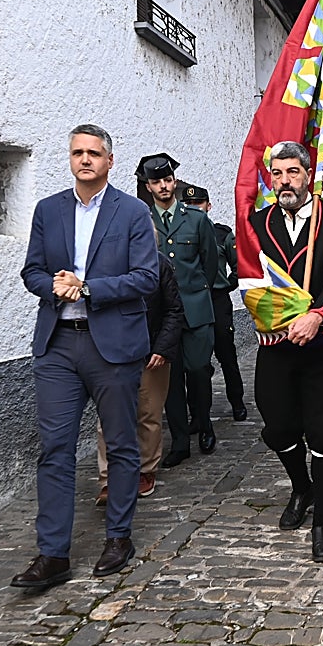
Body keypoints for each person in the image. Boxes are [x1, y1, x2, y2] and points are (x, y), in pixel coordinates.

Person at [13, 124, 158, 588]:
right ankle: (52, 554)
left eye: (94, 153)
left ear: (109, 161)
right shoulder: (48, 209)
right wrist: (53, 286)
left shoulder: (132, 211)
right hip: (58, 343)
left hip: (112, 346)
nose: (85, 159)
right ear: (70, 159)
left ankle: (118, 536)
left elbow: (146, 277)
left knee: (120, 443)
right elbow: (32, 271)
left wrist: (89, 287)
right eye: (78, 152)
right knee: (55, 449)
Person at [249, 141, 323, 563]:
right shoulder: (258, 222)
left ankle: (322, 522)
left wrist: (318, 315)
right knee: (278, 425)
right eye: (277, 174)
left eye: (292, 172)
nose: (284, 181)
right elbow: (249, 277)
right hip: (277, 345)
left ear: (307, 175)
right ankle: (302, 487)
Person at [138, 155, 219, 467]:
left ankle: (205, 425)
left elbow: (209, 263)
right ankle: (180, 442)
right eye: (156, 182)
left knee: (198, 370)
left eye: (167, 180)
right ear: (148, 186)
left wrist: (196, 294)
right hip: (162, 316)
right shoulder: (142, 220)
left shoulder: (196, 219)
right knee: (170, 381)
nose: (163, 186)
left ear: (174, 182)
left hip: (196, 310)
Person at [95, 233, 185, 504]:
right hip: (113, 352)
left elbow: (174, 310)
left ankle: (145, 470)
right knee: (108, 417)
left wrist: (162, 348)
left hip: (150, 351)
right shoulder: (105, 264)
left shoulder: (160, 265)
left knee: (148, 413)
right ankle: (109, 478)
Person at [181, 184, 247, 422]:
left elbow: (238, 267)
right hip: (193, 301)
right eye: (189, 204)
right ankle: (198, 413)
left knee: (226, 353)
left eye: (198, 203)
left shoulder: (220, 234)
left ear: (208, 206)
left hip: (217, 299)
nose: (194, 208)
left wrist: (226, 286)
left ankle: (237, 401)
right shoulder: (180, 235)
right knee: (195, 362)